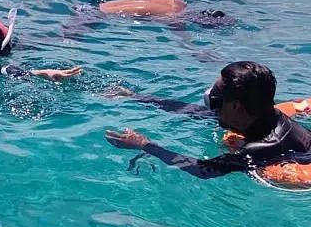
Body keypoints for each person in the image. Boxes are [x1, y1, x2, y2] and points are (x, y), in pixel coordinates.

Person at [105, 62, 311, 179]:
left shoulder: (264, 146)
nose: (211, 105)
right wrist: (134, 97)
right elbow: (192, 111)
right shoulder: (258, 115)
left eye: (216, 100)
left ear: (235, 106)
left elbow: (202, 170)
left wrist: (144, 145)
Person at [64, 0, 235, 37]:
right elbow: (185, 43)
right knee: (62, 42)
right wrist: (200, 53)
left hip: (92, 6)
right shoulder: (175, 19)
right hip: (95, 15)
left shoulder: (177, 2)